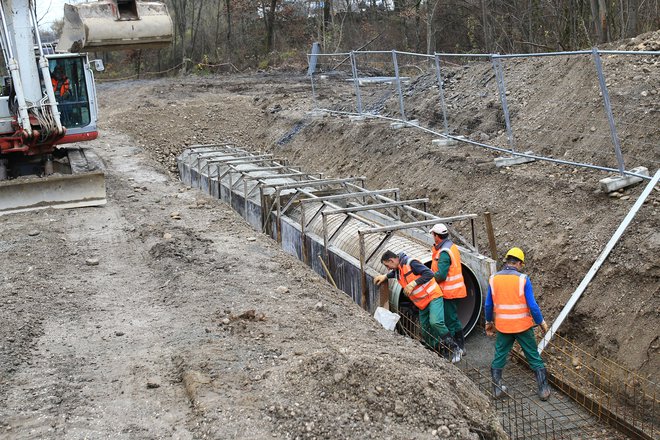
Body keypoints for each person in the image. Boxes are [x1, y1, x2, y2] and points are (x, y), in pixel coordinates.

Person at [484, 247, 551, 401]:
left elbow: (488, 305)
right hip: (522, 327)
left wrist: (489, 322)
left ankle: (497, 389)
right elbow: (533, 306)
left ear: (507, 260)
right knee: (533, 355)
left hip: (503, 327)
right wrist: (541, 322)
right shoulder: (523, 279)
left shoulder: (493, 279)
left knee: (500, 355)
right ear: (519, 263)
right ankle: (543, 390)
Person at [374, 250, 459, 361]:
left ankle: (454, 348)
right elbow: (396, 273)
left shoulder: (411, 263)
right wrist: (385, 276)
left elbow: (429, 273)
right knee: (425, 329)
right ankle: (435, 350)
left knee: (436, 322)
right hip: (422, 302)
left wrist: (414, 283)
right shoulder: (398, 269)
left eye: (387, 265)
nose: (388, 268)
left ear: (392, 260)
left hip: (432, 296)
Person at [430, 223, 467, 363]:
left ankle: (453, 350)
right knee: (453, 319)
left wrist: (428, 277)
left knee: (449, 321)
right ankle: (461, 347)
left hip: (449, 291)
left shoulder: (444, 253)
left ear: (437, 236)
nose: (433, 237)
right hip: (454, 290)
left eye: (433, 235)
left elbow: (441, 275)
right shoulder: (450, 246)